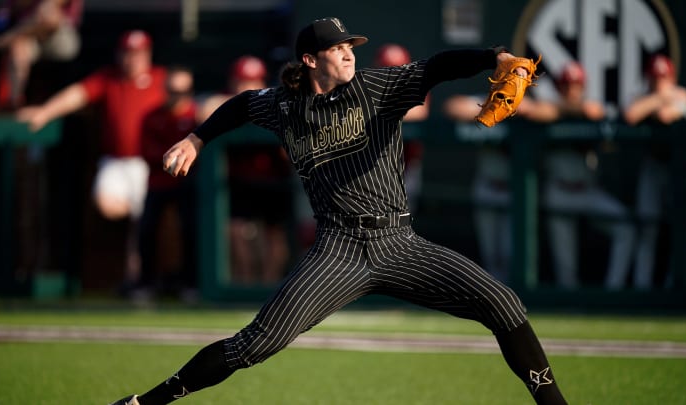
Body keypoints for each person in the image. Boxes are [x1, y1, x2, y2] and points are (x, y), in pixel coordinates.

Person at [109, 17, 567, 405]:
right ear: (310, 60)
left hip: (398, 242)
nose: (349, 53)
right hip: (338, 251)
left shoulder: (377, 87)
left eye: (350, 46)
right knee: (254, 344)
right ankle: (145, 403)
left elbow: (437, 67)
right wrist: (196, 138)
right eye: (337, 48)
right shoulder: (285, 106)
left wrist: (496, 58)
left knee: (504, 304)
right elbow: (242, 106)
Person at [15, 29, 167, 296]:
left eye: (138, 54)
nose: (132, 60)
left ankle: (140, 281)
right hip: (117, 162)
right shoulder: (108, 78)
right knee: (109, 205)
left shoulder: (160, 79)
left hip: (150, 164)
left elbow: (190, 103)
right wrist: (45, 112)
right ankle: (136, 265)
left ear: (148, 55)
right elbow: (77, 94)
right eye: (128, 54)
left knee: (143, 228)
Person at [532, 61, 635, 289]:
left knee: (626, 227)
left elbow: (594, 110)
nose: (572, 90)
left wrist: (566, 109)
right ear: (559, 87)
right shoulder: (548, 107)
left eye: (576, 85)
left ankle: (613, 291)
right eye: (567, 85)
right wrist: (562, 109)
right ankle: (569, 303)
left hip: (588, 191)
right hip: (559, 191)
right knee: (566, 269)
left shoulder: (586, 108)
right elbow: (534, 111)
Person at [198, 55, 292, 286]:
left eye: (253, 81)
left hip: (272, 180)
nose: (247, 87)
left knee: (275, 236)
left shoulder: (274, 101)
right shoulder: (228, 103)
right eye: (242, 81)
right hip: (239, 183)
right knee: (236, 233)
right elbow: (204, 109)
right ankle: (245, 284)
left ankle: (270, 285)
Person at [443, 93, 555, 283]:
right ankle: (494, 297)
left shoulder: (528, 101)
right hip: (487, 184)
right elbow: (452, 107)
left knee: (510, 252)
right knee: (491, 254)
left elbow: (549, 112)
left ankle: (513, 295)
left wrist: (519, 108)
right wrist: (495, 109)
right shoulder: (488, 100)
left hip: (516, 189)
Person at [623, 53, 686, 289]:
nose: (659, 82)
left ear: (672, 77)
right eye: (655, 78)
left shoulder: (683, 94)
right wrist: (659, 97)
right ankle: (643, 286)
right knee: (648, 229)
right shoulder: (646, 95)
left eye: (663, 78)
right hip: (653, 167)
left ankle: (676, 286)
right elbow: (631, 115)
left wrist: (660, 99)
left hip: (680, 169)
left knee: (682, 230)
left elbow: (667, 115)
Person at [137, 65, 199, 301]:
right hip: (160, 182)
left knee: (191, 228)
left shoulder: (196, 116)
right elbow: (149, 152)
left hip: (188, 184)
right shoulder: (153, 117)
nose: (178, 97)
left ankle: (191, 282)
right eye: (173, 90)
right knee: (147, 228)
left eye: (184, 91)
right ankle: (146, 281)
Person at [0, 0, 83, 108]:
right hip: (27, 36)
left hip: (61, 38)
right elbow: (7, 11)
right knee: (17, 49)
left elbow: (48, 16)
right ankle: (15, 104)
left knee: (47, 13)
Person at [373, 43, 429, 213]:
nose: (393, 75)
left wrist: (380, 111)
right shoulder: (368, 85)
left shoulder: (416, 85)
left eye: (397, 69)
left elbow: (419, 112)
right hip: (374, 168)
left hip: (405, 165)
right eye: (387, 69)